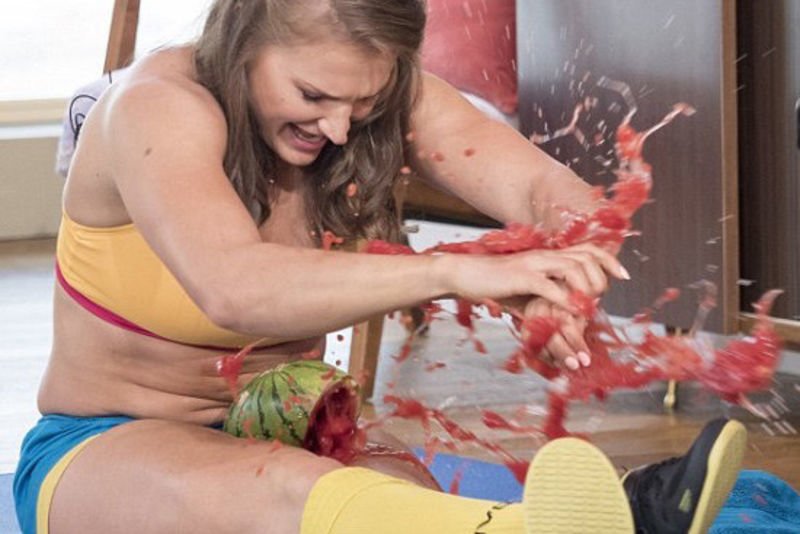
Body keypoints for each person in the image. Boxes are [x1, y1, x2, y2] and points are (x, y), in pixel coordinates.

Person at [13, 1, 745, 532]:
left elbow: (539, 189)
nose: (338, 128)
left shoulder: (378, 97)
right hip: (105, 449)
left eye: (361, 103)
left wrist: (568, 263)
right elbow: (233, 285)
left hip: (293, 434)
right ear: (243, 39)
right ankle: (627, 518)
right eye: (312, 95)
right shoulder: (156, 109)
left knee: (399, 497)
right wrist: (452, 269)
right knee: (287, 489)